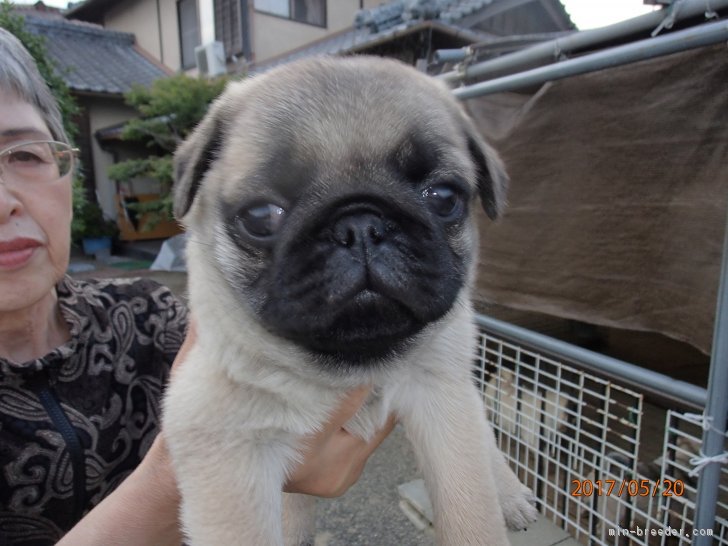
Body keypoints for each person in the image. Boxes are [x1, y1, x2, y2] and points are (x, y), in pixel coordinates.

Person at [0, 27, 394, 546]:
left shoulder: (146, 316)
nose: (4, 203)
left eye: (24, 155)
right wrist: (183, 470)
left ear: (65, 169)